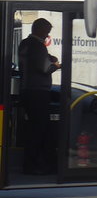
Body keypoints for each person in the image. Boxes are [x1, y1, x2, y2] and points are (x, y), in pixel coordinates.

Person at [18, 18, 60, 175]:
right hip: (38, 92)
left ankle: (32, 164)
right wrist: (56, 65)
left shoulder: (24, 43)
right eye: (47, 31)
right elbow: (45, 69)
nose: (48, 35)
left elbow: (32, 63)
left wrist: (49, 58)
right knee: (39, 130)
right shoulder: (38, 46)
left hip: (27, 90)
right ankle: (34, 165)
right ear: (40, 30)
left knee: (34, 129)